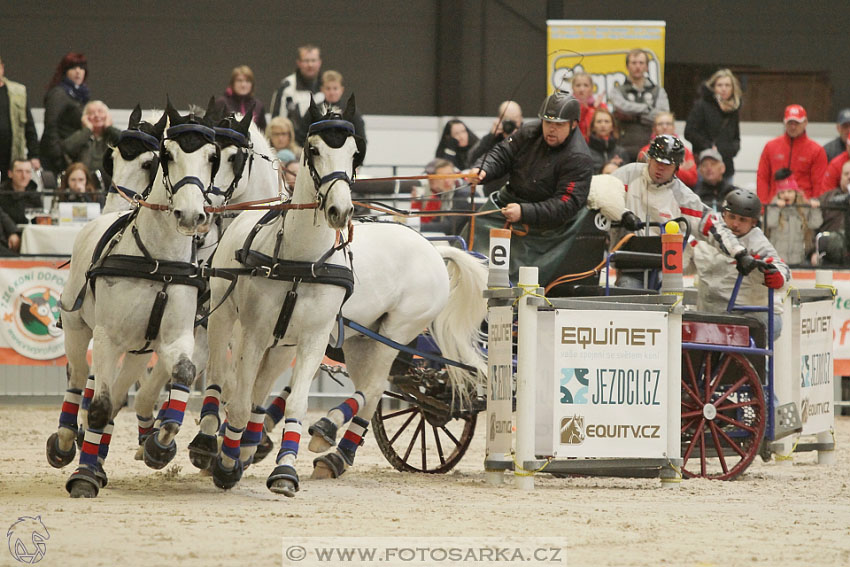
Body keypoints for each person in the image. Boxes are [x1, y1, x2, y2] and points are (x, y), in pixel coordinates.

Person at [611, 135, 755, 283]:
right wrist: (622, 213)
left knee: (670, 298)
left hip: (666, 267)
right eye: (657, 161)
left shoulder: (683, 197)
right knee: (630, 288)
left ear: (677, 168)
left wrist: (739, 253)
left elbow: (711, 224)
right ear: (649, 159)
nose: (660, 168)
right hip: (628, 261)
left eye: (667, 165)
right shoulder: (626, 175)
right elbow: (600, 194)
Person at [468, 91, 592, 228]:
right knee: (472, 232)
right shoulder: (530, 131)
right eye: (547, 122)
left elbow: (566, 204)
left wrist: (524, 212)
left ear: (573, 124)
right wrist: (483, 168)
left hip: (550, 225)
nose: (551, 129)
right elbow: (503, 153)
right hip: (509, 202)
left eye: (559, 124)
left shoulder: (579, 158)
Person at [687, 189, 789, 336]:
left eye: (742, 220)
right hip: (709, 313)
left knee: (760, 328)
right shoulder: (707, 238)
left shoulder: (759, 244)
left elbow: (780, 267)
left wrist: (778, 278)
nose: (735, 224)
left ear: (753, 222)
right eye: (731, 217)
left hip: (750, 313)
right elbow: (684, 266)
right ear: (723, 215)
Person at [756, 104, 828, 203]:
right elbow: (762, 178)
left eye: (797, 123)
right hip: (775, 205)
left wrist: (815, 205)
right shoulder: (770, 147)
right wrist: (763, 207)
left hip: (803, 207)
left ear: (805, 122)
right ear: (784, 123)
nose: (793, 127)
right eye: (790, 123)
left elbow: (819, 183)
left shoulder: (816, 150)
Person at [609, 48, 670, 161]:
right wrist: (647, 109)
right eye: (634, 63)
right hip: (623, 148)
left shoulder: (658, 91)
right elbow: (621, 107)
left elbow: (663, 116)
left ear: (647, 67)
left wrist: (634, 116)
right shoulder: (617, 91)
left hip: (652, 148)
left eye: (641, 63)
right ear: (627, 66)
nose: (638, 66)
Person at [684, 68, 742, 180]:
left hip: (726, 167)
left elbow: (736, 137)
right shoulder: (702, 106)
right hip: (704, 165)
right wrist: (708, 147)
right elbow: (689, 132)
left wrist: (731, 150)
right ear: (713, 87)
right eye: (720, 85)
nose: (723, 89)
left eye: (727, 85)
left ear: (733, 88)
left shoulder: (733, 108)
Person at [40, 52, 90, 174]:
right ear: (65, 71)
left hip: (72, 153)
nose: (78, 72)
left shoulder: (81, 95)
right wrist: (57, 156)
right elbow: (50, 125)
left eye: (81, 68)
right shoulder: (59, 93)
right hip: (57, 157)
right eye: (73, 68)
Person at [270, 44, 323, 145]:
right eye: (306, 61)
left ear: (319, 62)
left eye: (313, 60)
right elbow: (276, 122)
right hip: (291, 150)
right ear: (298, 63)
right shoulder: (286, 86)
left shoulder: (328, 87)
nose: (310, 65)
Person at [60, 100, 120, 189]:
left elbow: (127, 143)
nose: (96, 115)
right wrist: (87, 130)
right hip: (85, 188)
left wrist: (109, 128)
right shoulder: (81, 136)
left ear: (108, 116)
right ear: (85, 118)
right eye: (91, 113)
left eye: (100, 112)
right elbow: (67, 148)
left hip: (111, 186)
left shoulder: (113, 136)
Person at [764, 174, 821, 265]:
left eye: (790, 191)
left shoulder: (802, 210)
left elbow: (815, 224)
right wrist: (775, 207)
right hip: (777, 261)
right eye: (782, 192)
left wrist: (815, 209)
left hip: (798, 260)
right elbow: (770, 222)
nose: (786, 195)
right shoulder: (774, 208)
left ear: (795, 193)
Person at [0, 55, 40, 181]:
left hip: (12, 155)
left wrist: (34, 155)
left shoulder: (18, 92)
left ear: (2, 67)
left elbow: (29, 125)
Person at [410, 158, 471, 235]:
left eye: (449, 175)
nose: (446, 180)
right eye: (442, 177)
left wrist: (413, 226)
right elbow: (437, 221)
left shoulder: (463, 194)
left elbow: (448, 226)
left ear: (455, 176)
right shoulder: (445, 193)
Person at [636, 112, 697, 188]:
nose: (664, 127)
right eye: (660, 124)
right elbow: (645, 175)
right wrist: (677, 168)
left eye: (668, 124)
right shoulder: (646, 150)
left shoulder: (685, 151)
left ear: (674, 127)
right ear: (654, 128)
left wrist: (670, 171)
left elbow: (692, 179)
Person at [468, 100, 523, 166]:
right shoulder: (494, 137)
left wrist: (514, 138)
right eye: (509, 120)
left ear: (521, 118)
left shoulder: (527, 133)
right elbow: (473, 160)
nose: (512, 125)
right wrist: (491, 136)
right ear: (500, 118)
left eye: (516, 119)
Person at [816, 160, 850, 264]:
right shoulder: (826, 198)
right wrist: (813, 252)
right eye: (846, 174)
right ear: (840, 177)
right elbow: (813, 227)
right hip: (829, 256)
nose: (849, 177)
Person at [216, 65, 266, 131]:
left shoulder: (258, 105)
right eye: (239, 81)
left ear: (252, 85)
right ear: (232, 83)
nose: (243, 85)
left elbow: (262, 131)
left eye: (247, 81)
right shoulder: (221, 103)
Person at [320, 70, 365, 141]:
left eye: (335, 88)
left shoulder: (351, 111)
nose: (331, 92)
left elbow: (361, 139)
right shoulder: (315, 110)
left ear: (342, 90)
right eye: (328, 88)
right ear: (322, 89)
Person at [586, 107, 628, 174]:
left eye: (607, 121)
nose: (603, 125)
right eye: (599, 121)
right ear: (593, 127)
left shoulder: (621, 152)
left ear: (612, 127)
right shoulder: (586, 152)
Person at [0, 158, 42, 224]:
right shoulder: (2, 193)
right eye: (19, 171)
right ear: (10, 174)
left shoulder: (35, 195)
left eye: (27, 172)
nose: (24, 176)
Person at [570, 72, 607, 142]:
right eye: (578, 85)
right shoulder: (568, 107)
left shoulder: (600, 106)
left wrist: (596, 109)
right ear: (572, 87)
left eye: (586, 85)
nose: (582, 89)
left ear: (592, 88)